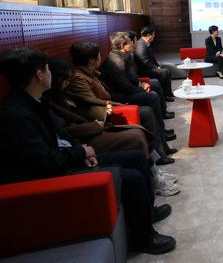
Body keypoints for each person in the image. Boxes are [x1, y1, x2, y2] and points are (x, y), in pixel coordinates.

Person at [0, 47, 176, 255]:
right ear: (39, 74)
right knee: (134, 178)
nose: (50, 74)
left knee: (137, 157)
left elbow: (63, 136)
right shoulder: (15, 115)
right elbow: (44, 161)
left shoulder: (37, 102)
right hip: (53, 176)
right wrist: (81, 154)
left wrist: (82, 150)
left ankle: (148, 213)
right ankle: (143, 238)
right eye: (47, 69)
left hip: (69, 158)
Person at [45, 57, 180, 196]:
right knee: (137, 135)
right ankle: (155, 179)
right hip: (86, 136)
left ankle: (155, 172)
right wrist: (96, 123)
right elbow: (69, 126)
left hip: (94, 125)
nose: (68, 82)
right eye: (65, 79)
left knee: (139, 131)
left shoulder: (68, 91)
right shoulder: (55, 99)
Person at [67, 42, 177, 165]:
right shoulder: (79, 78)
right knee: (146, 111)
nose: (100, 58)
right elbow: (91, 101)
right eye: (98, 55)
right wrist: (117, 104)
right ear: (91, 60)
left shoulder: (91, 73)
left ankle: (162, 148)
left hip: (111, 104)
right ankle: (159, 154)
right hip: (103, 115)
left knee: (148, 107)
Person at [100, 32, 176, 140]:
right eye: (130, 42)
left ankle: (161, 128)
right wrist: (141, 89)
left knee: (153, 88)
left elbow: (132, 77)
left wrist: (142, 84)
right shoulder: (117, 62)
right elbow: (125, 87)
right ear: (122, 46)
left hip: (123, 90)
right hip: (117, 95)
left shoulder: (123, 57)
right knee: (152, 96)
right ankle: (161, 133)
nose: (132, 44)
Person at [135, 26, 176, 101]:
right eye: (153, 34)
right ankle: (165, 95)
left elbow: (151, 58)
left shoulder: (145, 43)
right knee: (164, 72)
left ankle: (168, 93)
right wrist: (156, 67)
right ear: (149, 35)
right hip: (143, 70)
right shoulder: (141, 45)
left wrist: (157, 65)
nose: (154, 36)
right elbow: (144, 61)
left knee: (166, 71)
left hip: (148, 68)